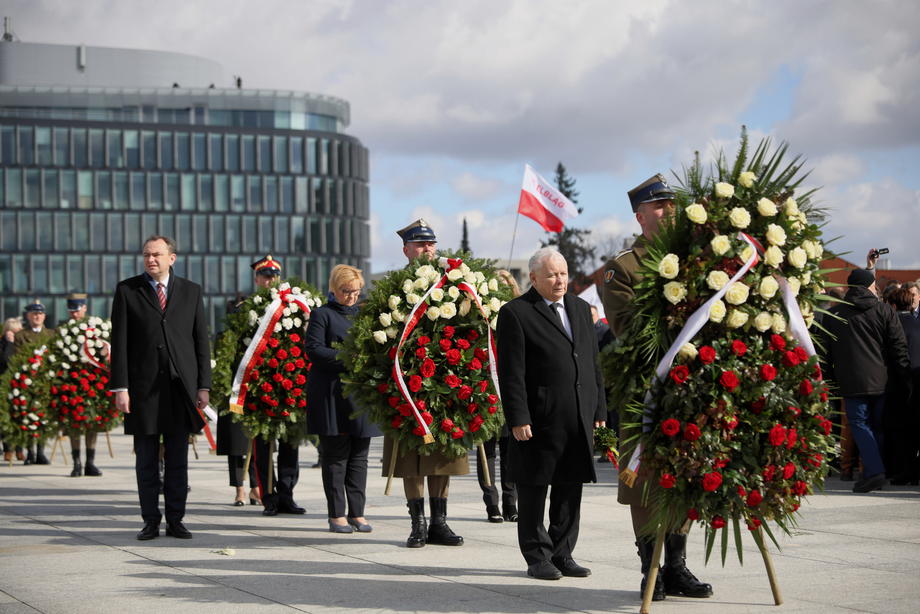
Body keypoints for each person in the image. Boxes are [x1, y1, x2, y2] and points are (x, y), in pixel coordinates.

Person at [601, 174, 713, 601]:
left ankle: (677, 566)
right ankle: (650, 569)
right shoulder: (623, 266)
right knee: (645, 482)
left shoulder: (697, 258)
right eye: (659, 206)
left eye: (672, 204)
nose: (668, 212)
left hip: (690, 390)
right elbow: (627, 328)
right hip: (645, 391)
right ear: (640, 215)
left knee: (684, 475)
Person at [496, 247, 606, 581]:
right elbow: (511, 372)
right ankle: (537, 556)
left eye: (563, 273)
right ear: (533, 278)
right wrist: (518, 417)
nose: (559, 281)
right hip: (538, 417)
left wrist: (599, 407)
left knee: (570, 486)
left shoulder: (580, 308)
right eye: (552, 275)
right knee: (534, 487)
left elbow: (592, 362)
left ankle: (563, 552)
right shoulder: (515, 313)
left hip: (577, 415)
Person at [111, 235, 211, 541]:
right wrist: (120, 388)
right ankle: (150, 520)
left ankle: (176, 520)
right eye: (146, 255)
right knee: (146, 460)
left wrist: (203, 386)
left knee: (178, 460)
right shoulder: (128, 290)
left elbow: (200, 341)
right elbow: (120, 343)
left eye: (156, 254)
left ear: (172, 258)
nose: (150, 259)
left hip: (180, 389)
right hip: (142, 391)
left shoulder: (191, 291)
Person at [381, 219, 467, 548]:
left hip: (444, 383)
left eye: (430, 244)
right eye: (419, 244)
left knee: (441, 453)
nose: (427, 249)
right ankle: (417, 523)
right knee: (410, 458)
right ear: (406, 250)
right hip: (407, 385)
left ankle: (439, 522)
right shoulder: (394, 289)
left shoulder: (453, 283)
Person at [305, 264, 382, 533]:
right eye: (346, 291)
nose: (352, 296)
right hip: (332, 395)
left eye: (356, 291)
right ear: (334, 289)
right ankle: (336, 514)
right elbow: (314, 350)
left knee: (359, 456)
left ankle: (357, 513)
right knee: (335, 456)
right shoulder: (322, 315)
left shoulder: (364, 315)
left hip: (360, 395)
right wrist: (348, 358)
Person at [820, 268, 911, 493]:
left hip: (851, 381)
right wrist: (905, 376)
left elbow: (825, 352)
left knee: (859, 424)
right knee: (876, 427)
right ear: (870, 286)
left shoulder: (836, 313)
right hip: (882, 379)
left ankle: (874, 472)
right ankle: (874, 472)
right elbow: (898, 346)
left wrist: (829, 381)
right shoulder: (884, 311)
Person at [246, 255, 307, 517]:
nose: (269, 280)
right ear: (257, 279)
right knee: (262, 446)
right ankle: (267, 496)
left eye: (273, 276)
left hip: (289, 385)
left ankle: (287, 494)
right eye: (264, 276)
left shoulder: (294, 306)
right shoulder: (248, 308)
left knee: (290, 443)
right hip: (260, 388)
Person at [477, 269, 520, 523]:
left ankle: (510, 503)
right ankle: (491, 503)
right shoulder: (481, 317)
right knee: (488, 452)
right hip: (485, 392)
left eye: (506, 287)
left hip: (508, 393)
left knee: (510, 452)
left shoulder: (518, 314)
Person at [215, 292, 259, 507]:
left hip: (254, 394)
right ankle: (239, 489)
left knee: (256, 443)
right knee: (235, 446)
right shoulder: (224, 337)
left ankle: (256, 488)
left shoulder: (257, 337)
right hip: (231, 396)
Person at [61, 293, 104, 477]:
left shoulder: (95, 328)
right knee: (74, 425)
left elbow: (103, 354)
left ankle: (90, 462)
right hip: (71, 383)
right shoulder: (62, 329)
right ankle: (76, 462)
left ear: (84, 308)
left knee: (92, 424)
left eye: (77, 310)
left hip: (92, 382)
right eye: (72, 310)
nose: (74, 314)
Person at [886, 285, 919, 485]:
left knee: (901, 431)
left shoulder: (893, 324)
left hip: (899, 382)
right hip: (918, 380)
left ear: (893, 304)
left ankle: (904, 471)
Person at [15, 301, 55, 465]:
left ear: (44, 316)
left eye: (39, 314)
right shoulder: (21, 336)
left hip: (45, 382)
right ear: (28, 316)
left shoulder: (51, 334)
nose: (37, 316)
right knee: (28, 418)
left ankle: (40, 451)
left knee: (44, 418)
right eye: (33, 313)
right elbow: (17, 357)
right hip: (27, 381)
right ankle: (30, 452)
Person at [1, 317, 24, 462]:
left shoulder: (21, 344)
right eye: (11, 331)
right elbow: (6, 361)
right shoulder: (3, 345)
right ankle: (8, 449)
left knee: (20, 417)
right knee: (6, 419)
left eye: (16, 332)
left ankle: (20, 449)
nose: (13, 334)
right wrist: (9, 344)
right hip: (4, 384)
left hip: (19, 384)